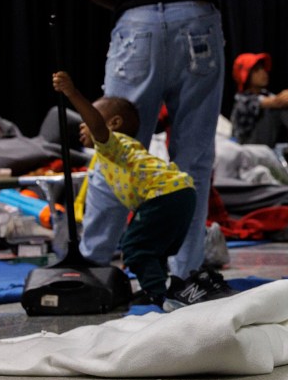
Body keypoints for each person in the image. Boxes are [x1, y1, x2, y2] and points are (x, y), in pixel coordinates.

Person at [68, 0, 239, 305]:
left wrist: (136, 9)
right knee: (194, 155)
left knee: (112, 146)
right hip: (197, 26)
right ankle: (184, 273)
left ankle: (95, 266)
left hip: (136, 28)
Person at [52, 72, 198, 309]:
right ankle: (159, 288)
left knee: (134, 247)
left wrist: (72, 93)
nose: (82, 124)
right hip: (182, 193)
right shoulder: (125, 148)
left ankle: (159, 296)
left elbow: (97, 124)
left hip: (163, 195)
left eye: (87, 118)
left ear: (115, 123)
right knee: (153, 250)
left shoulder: (112, 144)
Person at [230, 52, 288, 145]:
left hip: (267, 147)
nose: (263, 72)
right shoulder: (243, 99)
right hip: (247, 148)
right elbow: (277, 102)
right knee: (281, 107)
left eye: (263, 68)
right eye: (257, 70)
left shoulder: (267, 95)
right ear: (245, 75)